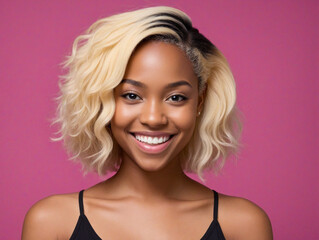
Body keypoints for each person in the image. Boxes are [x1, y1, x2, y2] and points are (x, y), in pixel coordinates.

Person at [22, 6, 273, 240]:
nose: (153, 118)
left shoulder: (243, 225)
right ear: (104, 101)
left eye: (176, 98)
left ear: (199, 102)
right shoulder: (52, 223)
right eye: (132, 96)